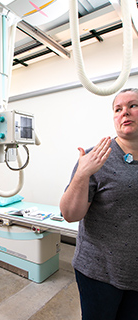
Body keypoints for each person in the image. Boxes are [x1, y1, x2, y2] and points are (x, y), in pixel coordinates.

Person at [60, 88, 138, 319]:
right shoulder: (95, 157)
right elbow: (70, 214)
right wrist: (82, 174)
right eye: (118, 109)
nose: (125, 112)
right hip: (99, 272)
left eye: (133, 105)